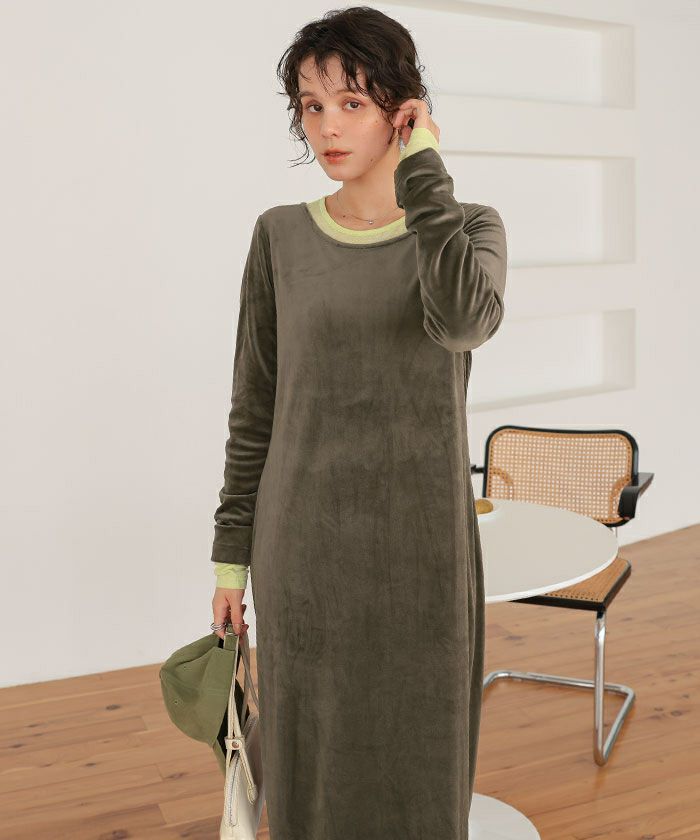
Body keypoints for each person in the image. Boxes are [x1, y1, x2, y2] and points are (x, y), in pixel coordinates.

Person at [209, 7, 507, 838]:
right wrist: (230, 560)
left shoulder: (466, 227)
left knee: (423, 757)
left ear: (402, 111)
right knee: (309, 765)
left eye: (352, 102)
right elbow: (254, 407)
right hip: (303, 549)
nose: (328, 127)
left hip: (425, 551)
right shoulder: (279, 237)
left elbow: (462, 323)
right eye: (311, 106)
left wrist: (426, 170)